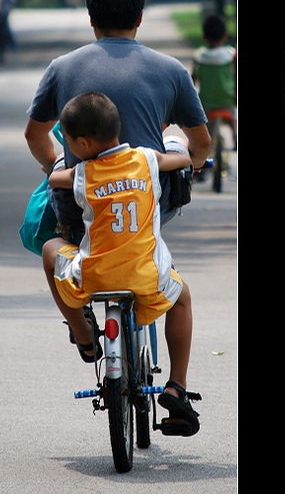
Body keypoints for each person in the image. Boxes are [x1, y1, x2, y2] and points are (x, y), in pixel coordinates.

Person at [42, 92, 200, 435]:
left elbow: (56, 180)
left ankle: (84, 333)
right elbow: (183, 158)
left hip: (93, 278)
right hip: (146, 277)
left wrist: (59, 165)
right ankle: (177, 385)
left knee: (51, 249)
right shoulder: (146, 160)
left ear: (82, 143)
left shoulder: (82, 173)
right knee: (183, 297)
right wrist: (176, 146)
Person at [25, 0, 211, 236]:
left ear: (91, 18)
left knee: (58, 252)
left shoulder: (61, 67)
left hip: (82, 203)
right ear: (139, 18)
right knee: (177, 143)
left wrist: (54, 165)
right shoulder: (172, 70)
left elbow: (34, 135)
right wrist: (194, 163)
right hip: (146, 204)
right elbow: (202, 143)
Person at [191, 14, 237, 150]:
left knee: (206, 127)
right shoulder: (231, 54)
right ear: (225, 35)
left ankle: (207, 150)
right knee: (232, 117)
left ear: (203, 37)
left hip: (207, 101)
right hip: (227, 99)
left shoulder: (199, 56)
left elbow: (193, 80)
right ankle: (235, 137)